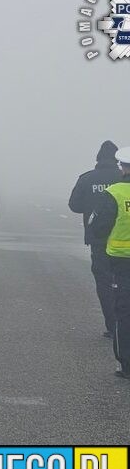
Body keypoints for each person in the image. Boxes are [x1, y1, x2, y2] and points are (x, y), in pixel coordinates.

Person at [70, 140, 122, 337]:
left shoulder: (87, 178)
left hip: (98, 240)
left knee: (104, 283)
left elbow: (74, 205)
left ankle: (112, 325)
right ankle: (124, 324)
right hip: (125, 240)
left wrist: (93, 207)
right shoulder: (123, 178)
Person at [90, 147, 130, 378]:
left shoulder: (114, 193)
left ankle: (126, 364)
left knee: (123, 312)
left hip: (121, 262)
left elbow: (98, 227)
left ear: (123, 168)